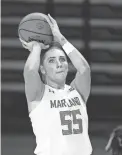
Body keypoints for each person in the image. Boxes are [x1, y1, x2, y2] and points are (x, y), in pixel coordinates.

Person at [19, 14, 92, 155]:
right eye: (52, 61)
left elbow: (84, 69)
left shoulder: (77, 91)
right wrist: (36, 46)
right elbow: (29, 71)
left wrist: (61, 39)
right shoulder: (38, 94)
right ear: (43, 69)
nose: (59, 64)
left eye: (62, 59)